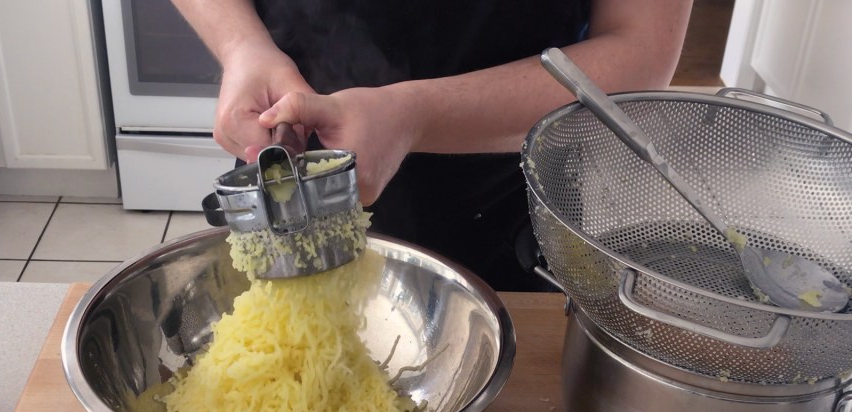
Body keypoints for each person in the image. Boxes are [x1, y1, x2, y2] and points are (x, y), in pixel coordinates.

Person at [171, 0, 693, 291]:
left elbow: (639, 51)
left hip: (504, 204)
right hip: (294, 167)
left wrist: (416, 117)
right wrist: (241, 43)